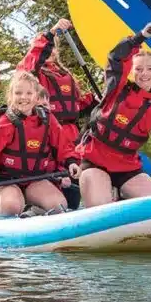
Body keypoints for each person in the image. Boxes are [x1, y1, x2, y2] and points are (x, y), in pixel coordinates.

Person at [76, 21, 151, 208]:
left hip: (127, 168)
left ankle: (123, 196)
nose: (144, 74)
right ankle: (109, 196)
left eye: (149, 69)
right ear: (132, 71)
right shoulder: (117, 87)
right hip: (95, 160)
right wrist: (141, 37)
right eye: (138, 69)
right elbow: (115, 57)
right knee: (101, 206)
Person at [0, 73, 78, 217]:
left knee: (59, 206)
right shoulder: (5, 122)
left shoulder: (48, 119)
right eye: (18, 93)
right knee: (11, 207)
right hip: (7, 181)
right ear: (11, 96)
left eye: (29, 93)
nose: (24, 97)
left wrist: (71, 162)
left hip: (35, 179)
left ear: (36, 96)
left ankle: (31, 209)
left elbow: (64, 146)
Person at [20, 18, 96, 209]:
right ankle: (33, 204)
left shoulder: (66, 75)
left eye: (53, 47)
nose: (50, 51)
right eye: (47, 47)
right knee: (52, 179)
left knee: (72, 196)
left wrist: (94, 99)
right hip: (47, 132)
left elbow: (77, 104)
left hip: (71, 133)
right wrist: (51, 33)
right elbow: (34, 58)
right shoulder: (34, 74)